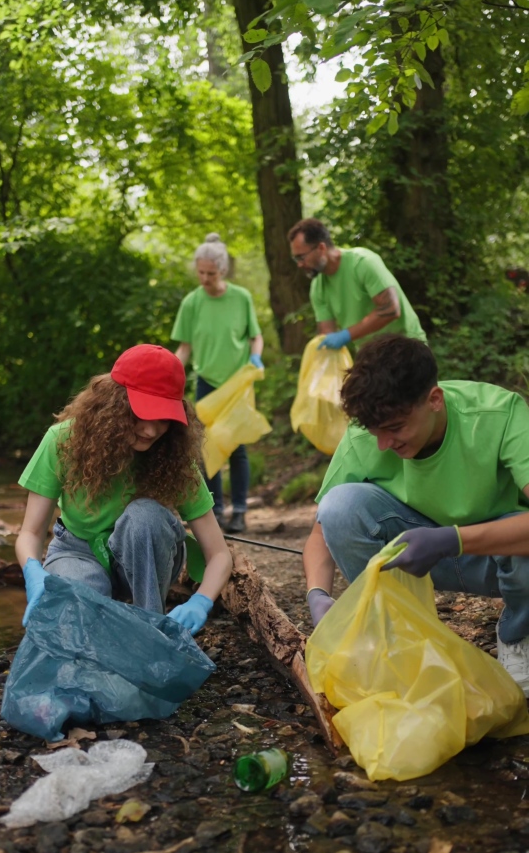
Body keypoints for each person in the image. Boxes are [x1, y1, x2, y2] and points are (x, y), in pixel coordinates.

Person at [303, 334, 529, 695]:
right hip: (417, 556)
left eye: (395, 428)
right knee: (339, 506)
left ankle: (519, 633)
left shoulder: (496, 415)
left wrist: (451, 540)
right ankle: (397, 640)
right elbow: (321, 533)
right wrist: (317, 594)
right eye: (374, 431)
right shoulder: (369, 431)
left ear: (434, 400)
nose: (383, 444)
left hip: (500, 559)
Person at [15, 344, 233, 637]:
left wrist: (201, 601)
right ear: (113, 405)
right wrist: (33, 573)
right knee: (79, 617)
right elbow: (30, 533)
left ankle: (149, 629)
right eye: (142, 414)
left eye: (164, 418)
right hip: (78, 553)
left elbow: (219, 553)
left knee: (145, 516)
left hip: (145, 558)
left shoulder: (173, 457)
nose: (152, 431)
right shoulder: (63, 441)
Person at [172, 233, 264, 534]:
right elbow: (184, 348)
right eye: (200, 272)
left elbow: (255, 335)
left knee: (235, 448)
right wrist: (169, 373)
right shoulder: (191, 302)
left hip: (237, 384)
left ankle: (240, 511)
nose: (205, 278)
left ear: (222, 270)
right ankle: (216, 512)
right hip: (207, 385)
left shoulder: (241, 298)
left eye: (210, 273)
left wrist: (256, 358)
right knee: (208, 448)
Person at [288, 218, 427, 350]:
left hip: (407, 349)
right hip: (371, 356)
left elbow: (390, 309)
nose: (299, 264)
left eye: (301, 257)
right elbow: (327, 334)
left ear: (321, 248)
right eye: (295, 259)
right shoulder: (318, 287)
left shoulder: (362, 262)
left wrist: (346, 335)